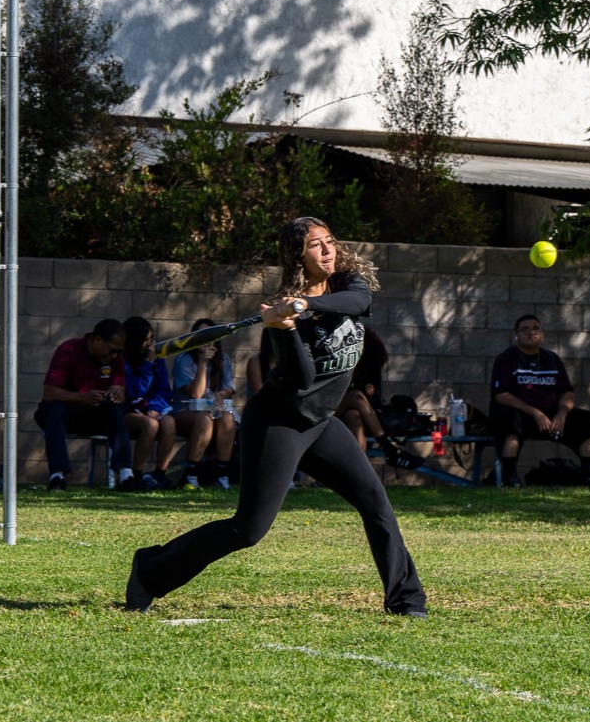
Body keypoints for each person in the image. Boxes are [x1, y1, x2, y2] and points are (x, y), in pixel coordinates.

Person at [126, 216, 427, 617]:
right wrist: (285, 329)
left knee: (376, 504)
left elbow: (360, 303)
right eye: (315, 246)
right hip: (279, 421)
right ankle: (151, 570)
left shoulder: (345, 283)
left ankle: (407, 602)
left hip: (321, 423)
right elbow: (302, 380)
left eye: (329, 241)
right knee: (247, 530)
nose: (328, 250)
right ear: (297, 257)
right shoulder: (280, 318)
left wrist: (306, 305)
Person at [488, 314, 590, 487]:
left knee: (587, 420)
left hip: (552, 417)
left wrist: (562, 413)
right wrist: (535, 413)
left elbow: (567, 393)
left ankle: (588, 476)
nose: (531, 333)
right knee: (510, 420)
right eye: (524, 329)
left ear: (542, 335)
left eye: (535, 329)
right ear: (516, 335)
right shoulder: (506, 358)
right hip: (522, 414)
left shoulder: (552, 359)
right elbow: (501, 395)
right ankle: (509, 476)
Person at [34, 318, 137, 492]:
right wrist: (81, 397)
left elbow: (119, 385)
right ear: (97, 340)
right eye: (112, 350)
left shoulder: (116, 359)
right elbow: (49, 392)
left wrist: (118, 392)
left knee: (115, 407)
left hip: (94, 414)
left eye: (118, 352)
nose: (114, 356)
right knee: (55, 408)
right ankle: (57, 476)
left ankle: (126, 474)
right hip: (67, 412)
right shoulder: (68, 350)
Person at [335, 327, 424, 469]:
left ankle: (358, 471)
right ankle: (389, 448)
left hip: (349, 416)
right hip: (326, 411)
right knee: (356, 396)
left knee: (354, 415)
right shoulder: (338, 360)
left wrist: (368, 394)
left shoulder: (369, 369)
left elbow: (373, 404)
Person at [171, 318, 237, 490]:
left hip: (211, 406)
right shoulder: (184, 359)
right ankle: (191, 474)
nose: (206, 340)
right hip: (185, 408)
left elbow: (229, 389)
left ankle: (222, 474)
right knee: (205, 420)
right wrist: (202, 362)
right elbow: (195, 394)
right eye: (200, 335)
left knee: (228, 418)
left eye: (209, 336)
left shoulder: (223, 359)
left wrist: (219, 394)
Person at [122, 316, 177, 490]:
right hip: (128, 410)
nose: (150, 344)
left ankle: (160, 474)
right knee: (150, 425)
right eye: (146, 340)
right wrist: (147, 364)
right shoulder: (122, 361)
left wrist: (154, 407)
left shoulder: (157, 359)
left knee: (169, 422)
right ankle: (136, 475)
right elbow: (134, 391)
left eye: (152, 339)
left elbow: (163, 390)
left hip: (150, 408)